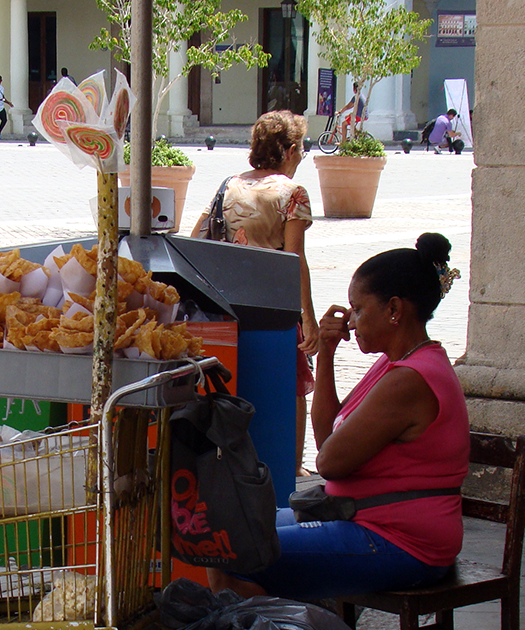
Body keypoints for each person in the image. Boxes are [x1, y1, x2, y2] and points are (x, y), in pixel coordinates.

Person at [208, 233, 469, 601]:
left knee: (232, 552)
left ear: (394, 309)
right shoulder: (394, 364)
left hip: (401, 540)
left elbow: (329, 461)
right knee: (223, 536)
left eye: (359, 309)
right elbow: (329, 433)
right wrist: (326, 355)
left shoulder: (409, 379)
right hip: (365, 520)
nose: (352, 320)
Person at [189, 110, 317, 475]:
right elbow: (295, 261)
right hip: (274, 302)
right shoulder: (292, 193)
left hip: (228, 300)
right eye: (302, 150)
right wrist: (307, 317)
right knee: (293, 384)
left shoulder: (229, 185)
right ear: (290, 150)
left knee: (241, 374)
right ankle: (292, 463)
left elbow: (198, 236)